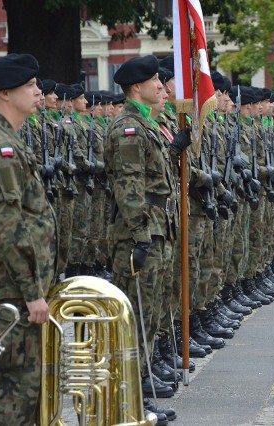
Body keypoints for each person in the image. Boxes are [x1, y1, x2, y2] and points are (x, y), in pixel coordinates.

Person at [0, 53, 58, 425]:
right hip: (12, 290)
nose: (38, 93)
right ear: (5, 93)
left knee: (26, 391)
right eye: (30, 86)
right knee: (13, 394)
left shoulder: (8, 140)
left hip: (19, 286)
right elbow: (6, 223)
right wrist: (31, 290)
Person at [105, 55, 190, 413]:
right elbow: (129, 188)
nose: (161, 86)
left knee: (151, 314)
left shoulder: (147, 125)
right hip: (141, 235)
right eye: (155, 80)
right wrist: (140, 237)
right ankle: (129, 401)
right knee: (137, 319)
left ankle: (140, 389)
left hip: (157, 229)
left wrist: (173, 151)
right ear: (136, 87)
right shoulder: (129, 127)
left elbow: (154, 175)